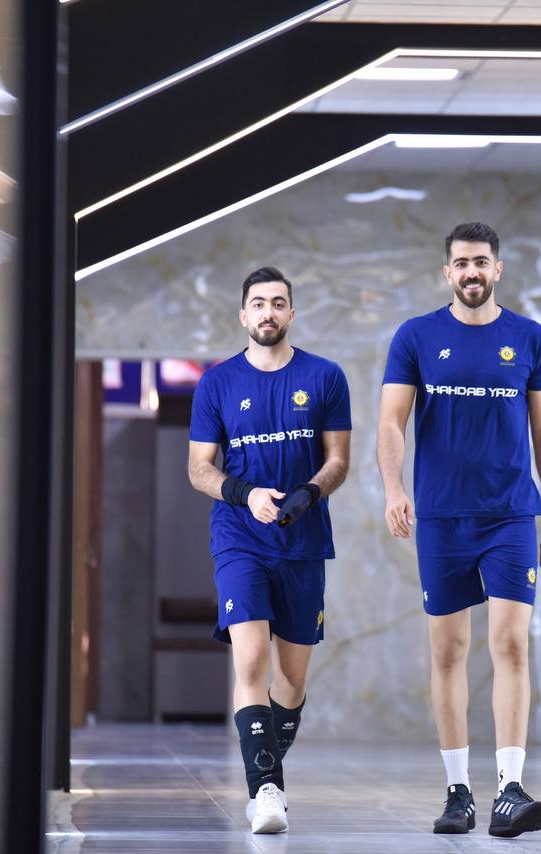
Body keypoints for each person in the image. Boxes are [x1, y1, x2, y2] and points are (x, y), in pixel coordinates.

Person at [377, 222, 541, 838]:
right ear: (447, 273)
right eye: (461, 263)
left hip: (510, 515)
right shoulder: (416, 337)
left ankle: (510, 788)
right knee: (448, 650)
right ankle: (458, 791)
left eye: (481, 262)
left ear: (498, 269)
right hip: (441, 517)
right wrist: (394, 489)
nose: (471, 272)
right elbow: (391, 422)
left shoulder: (532, 340)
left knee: (510, 644)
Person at [187, 266, 352, 834]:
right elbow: (199, 468)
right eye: (258, 303)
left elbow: (338, 460)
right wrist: (246, 494)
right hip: (240, 540)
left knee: (293, 680)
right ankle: (266, 792)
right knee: (251, 660)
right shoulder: (217, 383)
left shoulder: (325, 377)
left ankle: (266, 775)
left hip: (304, 542)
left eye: (278, 303)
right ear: (243, 315)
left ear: (291, 313)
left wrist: (309, 493)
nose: (268, 312)